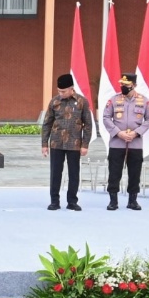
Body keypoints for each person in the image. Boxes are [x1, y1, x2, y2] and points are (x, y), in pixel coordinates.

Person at [102, 72, 149, 211]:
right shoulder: (113, 100)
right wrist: (118, 133)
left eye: (126, 85)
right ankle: (113, 201)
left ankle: (133, 200)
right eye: (122, 84)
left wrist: (137, 133)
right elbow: (106, 117)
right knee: (114, 172)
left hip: (135, 143)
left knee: (135, 172)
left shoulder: (144, 101)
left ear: (134, 85)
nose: (123, 87)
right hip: (117, 142)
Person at [41, 73, 93, 211]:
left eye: (63, 91)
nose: (60, 93)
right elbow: (47, 123)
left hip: (74, 143)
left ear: (71, 89)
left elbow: (88, 124)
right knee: (55, 173)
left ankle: (72, 201)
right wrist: (44, 144)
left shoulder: (82, 101)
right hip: (56, 143)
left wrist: (85, 145)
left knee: (74, 173)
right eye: (59, 91)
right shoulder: (54, 102)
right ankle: (54, 201)